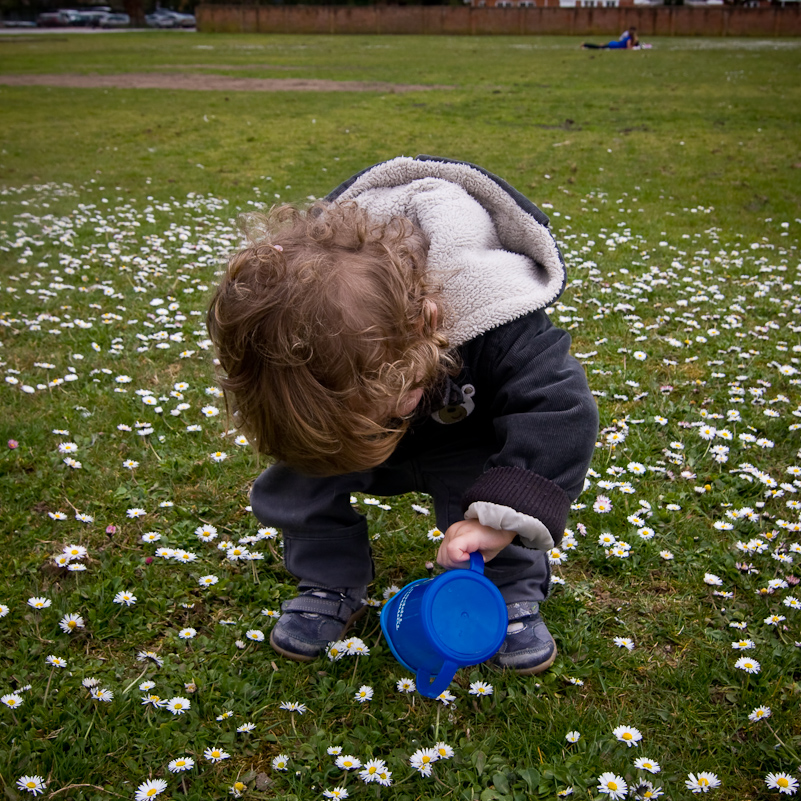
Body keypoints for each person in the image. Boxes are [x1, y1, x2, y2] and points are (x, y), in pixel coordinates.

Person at [207, 155, 599, 676]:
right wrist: (324, 434)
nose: (379, 425)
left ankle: (502, 591)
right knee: (299, 482)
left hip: (464, 442)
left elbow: (561, 407)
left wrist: (502, 515)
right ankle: (328, 579)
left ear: (426, 327)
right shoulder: (319, 343)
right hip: (344, 432)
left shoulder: (495, 316)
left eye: (384, 407)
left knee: (488, 507)